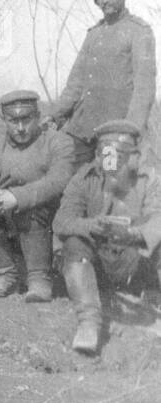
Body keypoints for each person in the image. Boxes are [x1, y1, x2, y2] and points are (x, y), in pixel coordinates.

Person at [53, 120, 161, 354]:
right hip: (96, 262)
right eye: (106, 154)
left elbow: (158, 217)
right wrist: (93, 226)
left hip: (133, 261)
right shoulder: (85, 177)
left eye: (121, 155)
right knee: (73, 242)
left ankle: (152, 302)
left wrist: (133, 234)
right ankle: (89, 323)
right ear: (99, 154)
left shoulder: (149, 178)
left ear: (134, 155)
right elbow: (61, 221)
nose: (112, 162)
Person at [0, 90, 75, 301]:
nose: (20, 128)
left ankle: (39, 279)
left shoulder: (58, 142)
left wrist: (14, 198)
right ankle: (4, 273)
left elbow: (59, 180)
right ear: (4, 120)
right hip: (10, 221)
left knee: (31, 208)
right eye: (13, 121)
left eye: (26, 119)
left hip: (49, 222)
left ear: (38, 116)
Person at [46, 0, 156, 167]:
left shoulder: (139, 31)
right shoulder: (93, 35)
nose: (105, 0)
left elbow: (144, 89)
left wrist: (128, 131)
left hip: (115, 132)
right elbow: (75, 84)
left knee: (109, 185)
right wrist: (55, 115)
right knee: (69, 182)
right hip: (82, 130)